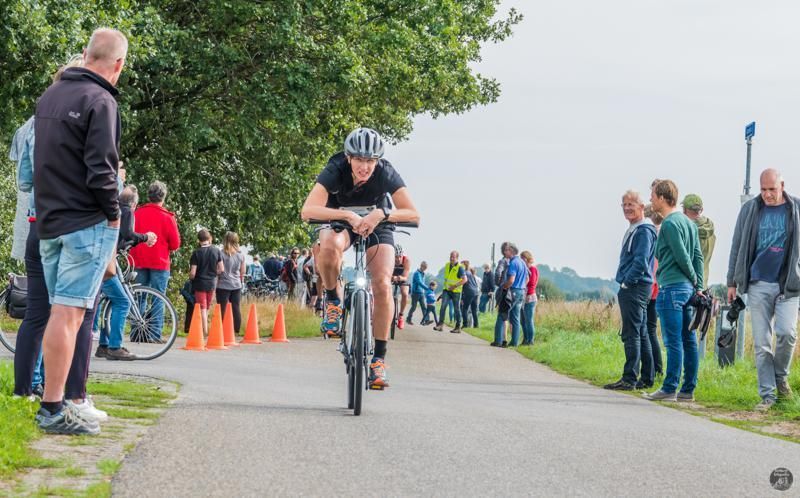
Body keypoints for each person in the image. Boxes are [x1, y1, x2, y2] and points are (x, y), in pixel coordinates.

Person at [32, 29, 129, 435]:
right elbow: (101, 169)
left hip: (50, 219)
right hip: (85, 222)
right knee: (70, 315)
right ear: (118, 64)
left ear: (87, 54)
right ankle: (54, 407)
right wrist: (113, 213)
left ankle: (58, 399)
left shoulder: (50, 96)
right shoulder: (100, 100)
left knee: (61, 312)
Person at [300, 127, 420, 389]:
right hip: (341, 221)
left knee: (382, 283)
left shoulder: (386, 172)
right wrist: (346, 216)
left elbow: (413, 214)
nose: (365, 167)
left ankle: (379, 359)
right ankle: (333, 300)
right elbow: (308, 210)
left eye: (370, 161)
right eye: (359, 160)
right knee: (328, 246)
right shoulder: (335, 169)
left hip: (378, 224)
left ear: (377, 161)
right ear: (348, 158)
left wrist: (381, 215)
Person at [727, 169, 800, 411]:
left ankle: (780, 377)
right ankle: (768, 396)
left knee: (787, 333)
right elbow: (736, 245)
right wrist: (731, 282)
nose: (767, 194)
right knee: (761, 344)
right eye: (763, 189)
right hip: (758, 283)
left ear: (782, 185)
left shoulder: (796, 209)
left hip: (789, 285)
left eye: (772, 189)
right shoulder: (749, 210)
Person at [643, 180, 703, 402]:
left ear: (661, 197)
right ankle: (687, 389)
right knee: (689, 339)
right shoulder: (688, 223)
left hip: (672, 286)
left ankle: (669, 387)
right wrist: (698, 285)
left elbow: (682, 256)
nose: (650, 199)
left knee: (673, 341)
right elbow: (697, 255)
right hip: (687, 289)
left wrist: (694, 279)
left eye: (652, 195)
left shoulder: (669, 224)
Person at [96, 185, 156, 360]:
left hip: (106, 258)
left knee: (110, 301)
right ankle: (114, 346)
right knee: (122, 302)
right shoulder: (127, 212)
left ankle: (103, 345)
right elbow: (128, 233)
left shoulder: (113, 210)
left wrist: (140, 239)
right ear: (134, 204)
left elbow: (123, 238)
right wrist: (145, 237)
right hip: (107, 262)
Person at [604, 191, 657, 391]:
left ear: (642, 206)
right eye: (624, 204)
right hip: (639, 285)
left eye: (631, 204)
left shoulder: (643, 230)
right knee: (641, 331)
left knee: (631, 332)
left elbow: (641, 260)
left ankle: (629, 378)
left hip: (635, 286)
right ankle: (647, 377)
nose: (627, 208)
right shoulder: (638, 228)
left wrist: (627, 282)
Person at [130, 180, 181, 340]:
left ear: (149, 196)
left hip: (138, 259)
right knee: (158, 297)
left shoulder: (137, 213)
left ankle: (136, 332)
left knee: (138, 297)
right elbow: (175, 244)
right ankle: (154, 334)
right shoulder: (167, 217)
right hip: (159, 262)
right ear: (163, 197)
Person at [643, 204, 665, 377]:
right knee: (651, 329)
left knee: (648, 330)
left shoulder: (653, 234)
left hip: (652, 288)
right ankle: (656, 369)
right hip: (658, 287)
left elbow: (653, 265)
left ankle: (654, 369)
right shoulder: (663, 232)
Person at [493, 242, 527, 347]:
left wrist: (504, 286)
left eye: (506, 250)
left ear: (511, 251)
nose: (504, 252)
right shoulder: (522, 262)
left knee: (502, 315)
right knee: (515, 318)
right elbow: (527, 278)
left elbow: (511, 280)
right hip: (521, 291)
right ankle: (514, 342)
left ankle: (498, 341)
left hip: (512, 291)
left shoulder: (513, 263)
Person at [189, 229, 224, 336]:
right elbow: (221, 269)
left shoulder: (196, 253)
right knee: (207, 307)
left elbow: (193, 273)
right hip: (212, 282)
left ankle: (205, 331)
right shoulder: (216, 251)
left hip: (200, 283)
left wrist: (190, 277)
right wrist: (213, 273)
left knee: (202, 308)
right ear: (209, 239)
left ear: (199, 240)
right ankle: (205, 328)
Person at [682, 193, 716, 288]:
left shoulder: (687, 230)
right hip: (703, 283)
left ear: (684, 210)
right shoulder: (711, 230)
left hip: (687, 284)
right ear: (701, 209)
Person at [216, 232, 245, 335]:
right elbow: (243, 271)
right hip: (236, 284)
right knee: (236, 308)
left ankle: (221, 330)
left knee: (222, 308)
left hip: (223, 284)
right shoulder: (240, 255)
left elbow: (219, 270)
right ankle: (236, 330)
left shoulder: (221, 253)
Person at [433, 251, 467, 333]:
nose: (451, 258)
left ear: (457, 258)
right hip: (447, 290)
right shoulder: (447, 265)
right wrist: (442, 293)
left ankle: (458, 327)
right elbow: (446, 280)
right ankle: (440, 325)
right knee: (443, 306)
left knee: (456, 309)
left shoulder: (460, 268)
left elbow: (465, 280)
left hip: (456, 291)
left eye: (453, 257)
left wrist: (454, 286)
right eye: (451, 256)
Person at [520, 251, 539, 346]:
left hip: (530, 297)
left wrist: (523, 284)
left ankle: (530, 340)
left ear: (526, 258)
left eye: (522, 258)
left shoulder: (533, 269)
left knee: (529, 320)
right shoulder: (526, 268)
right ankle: (525, 339)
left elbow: (532, 283)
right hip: (524, 297)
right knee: (523, 320)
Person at [392, 244, 411, 329]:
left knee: (405, 293)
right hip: (391, 275)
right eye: (396, 257)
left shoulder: (406, 260)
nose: (398, 259)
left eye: (400, 256)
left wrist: (399, 278)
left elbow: (405, 276)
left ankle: (401, 316)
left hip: (401, 276)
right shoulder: (388, 259)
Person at [407, 261, 429, 325]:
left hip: (421, 293)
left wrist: (425, 290)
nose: (424, 268)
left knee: (424, 307)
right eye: (424, 267)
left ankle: (426, 320)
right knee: (414, 307)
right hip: (415, 293)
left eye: (425, 268)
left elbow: (423, 283)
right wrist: (427, 288)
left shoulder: (423, 274)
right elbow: (420, 282)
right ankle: (408, 319)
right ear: (421, 266)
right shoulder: (417, 273)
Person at [460, 261, 480, 329]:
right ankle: (476, 325)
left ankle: (465, 324)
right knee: (474, 309)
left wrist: (462, 297)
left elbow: (462, 284)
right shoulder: (470, 273)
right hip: (476, 292)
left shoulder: (464, 273)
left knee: (464, 309)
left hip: (469, 292)